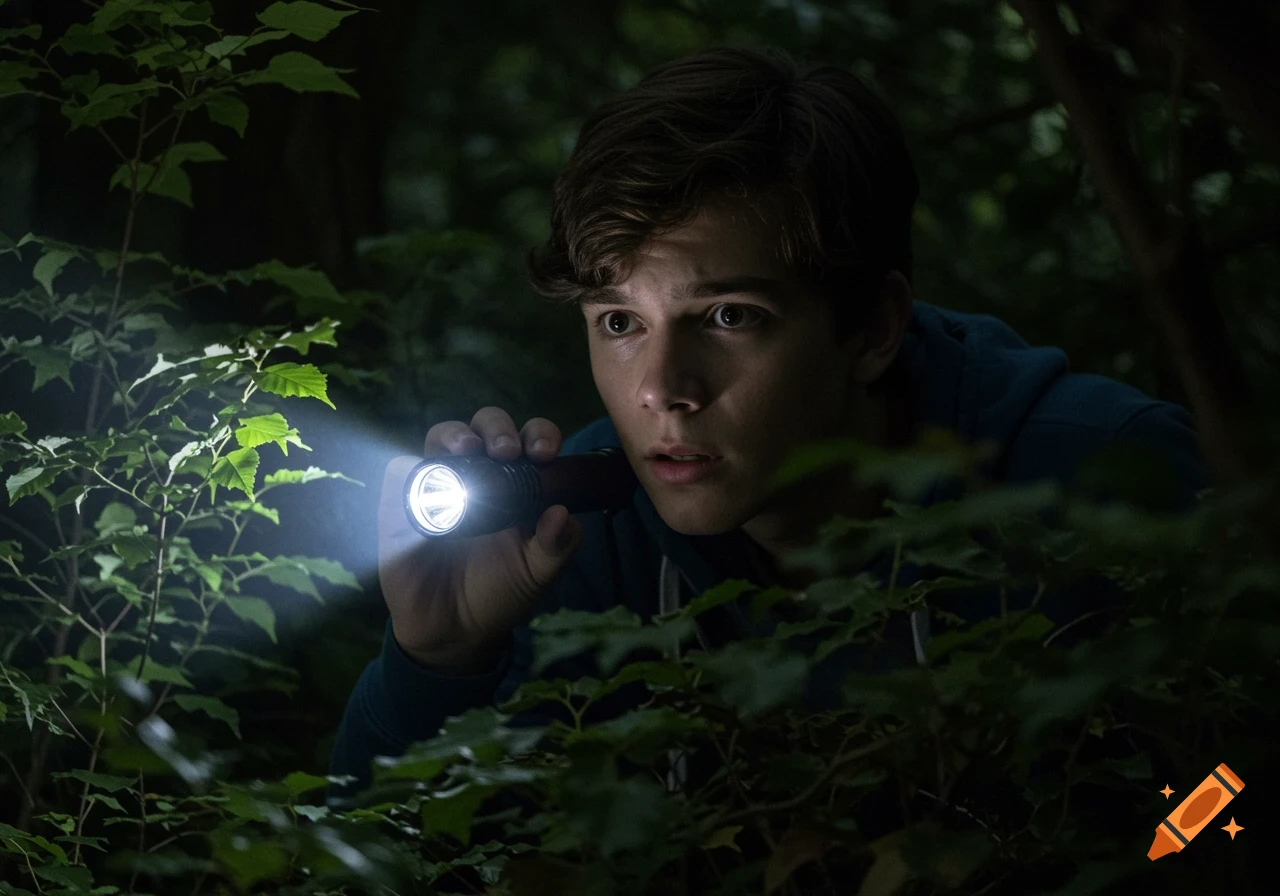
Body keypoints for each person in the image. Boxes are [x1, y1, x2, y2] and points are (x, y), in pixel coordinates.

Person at [328, 45, 1207, 808]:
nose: (662, 392)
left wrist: (1139, 863)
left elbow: (1235, 791)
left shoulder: (1107, 477)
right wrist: (436, 660)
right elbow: (388, 862)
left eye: (729, 317)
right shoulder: (564, 538)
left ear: (871, 330)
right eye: (621, 323)